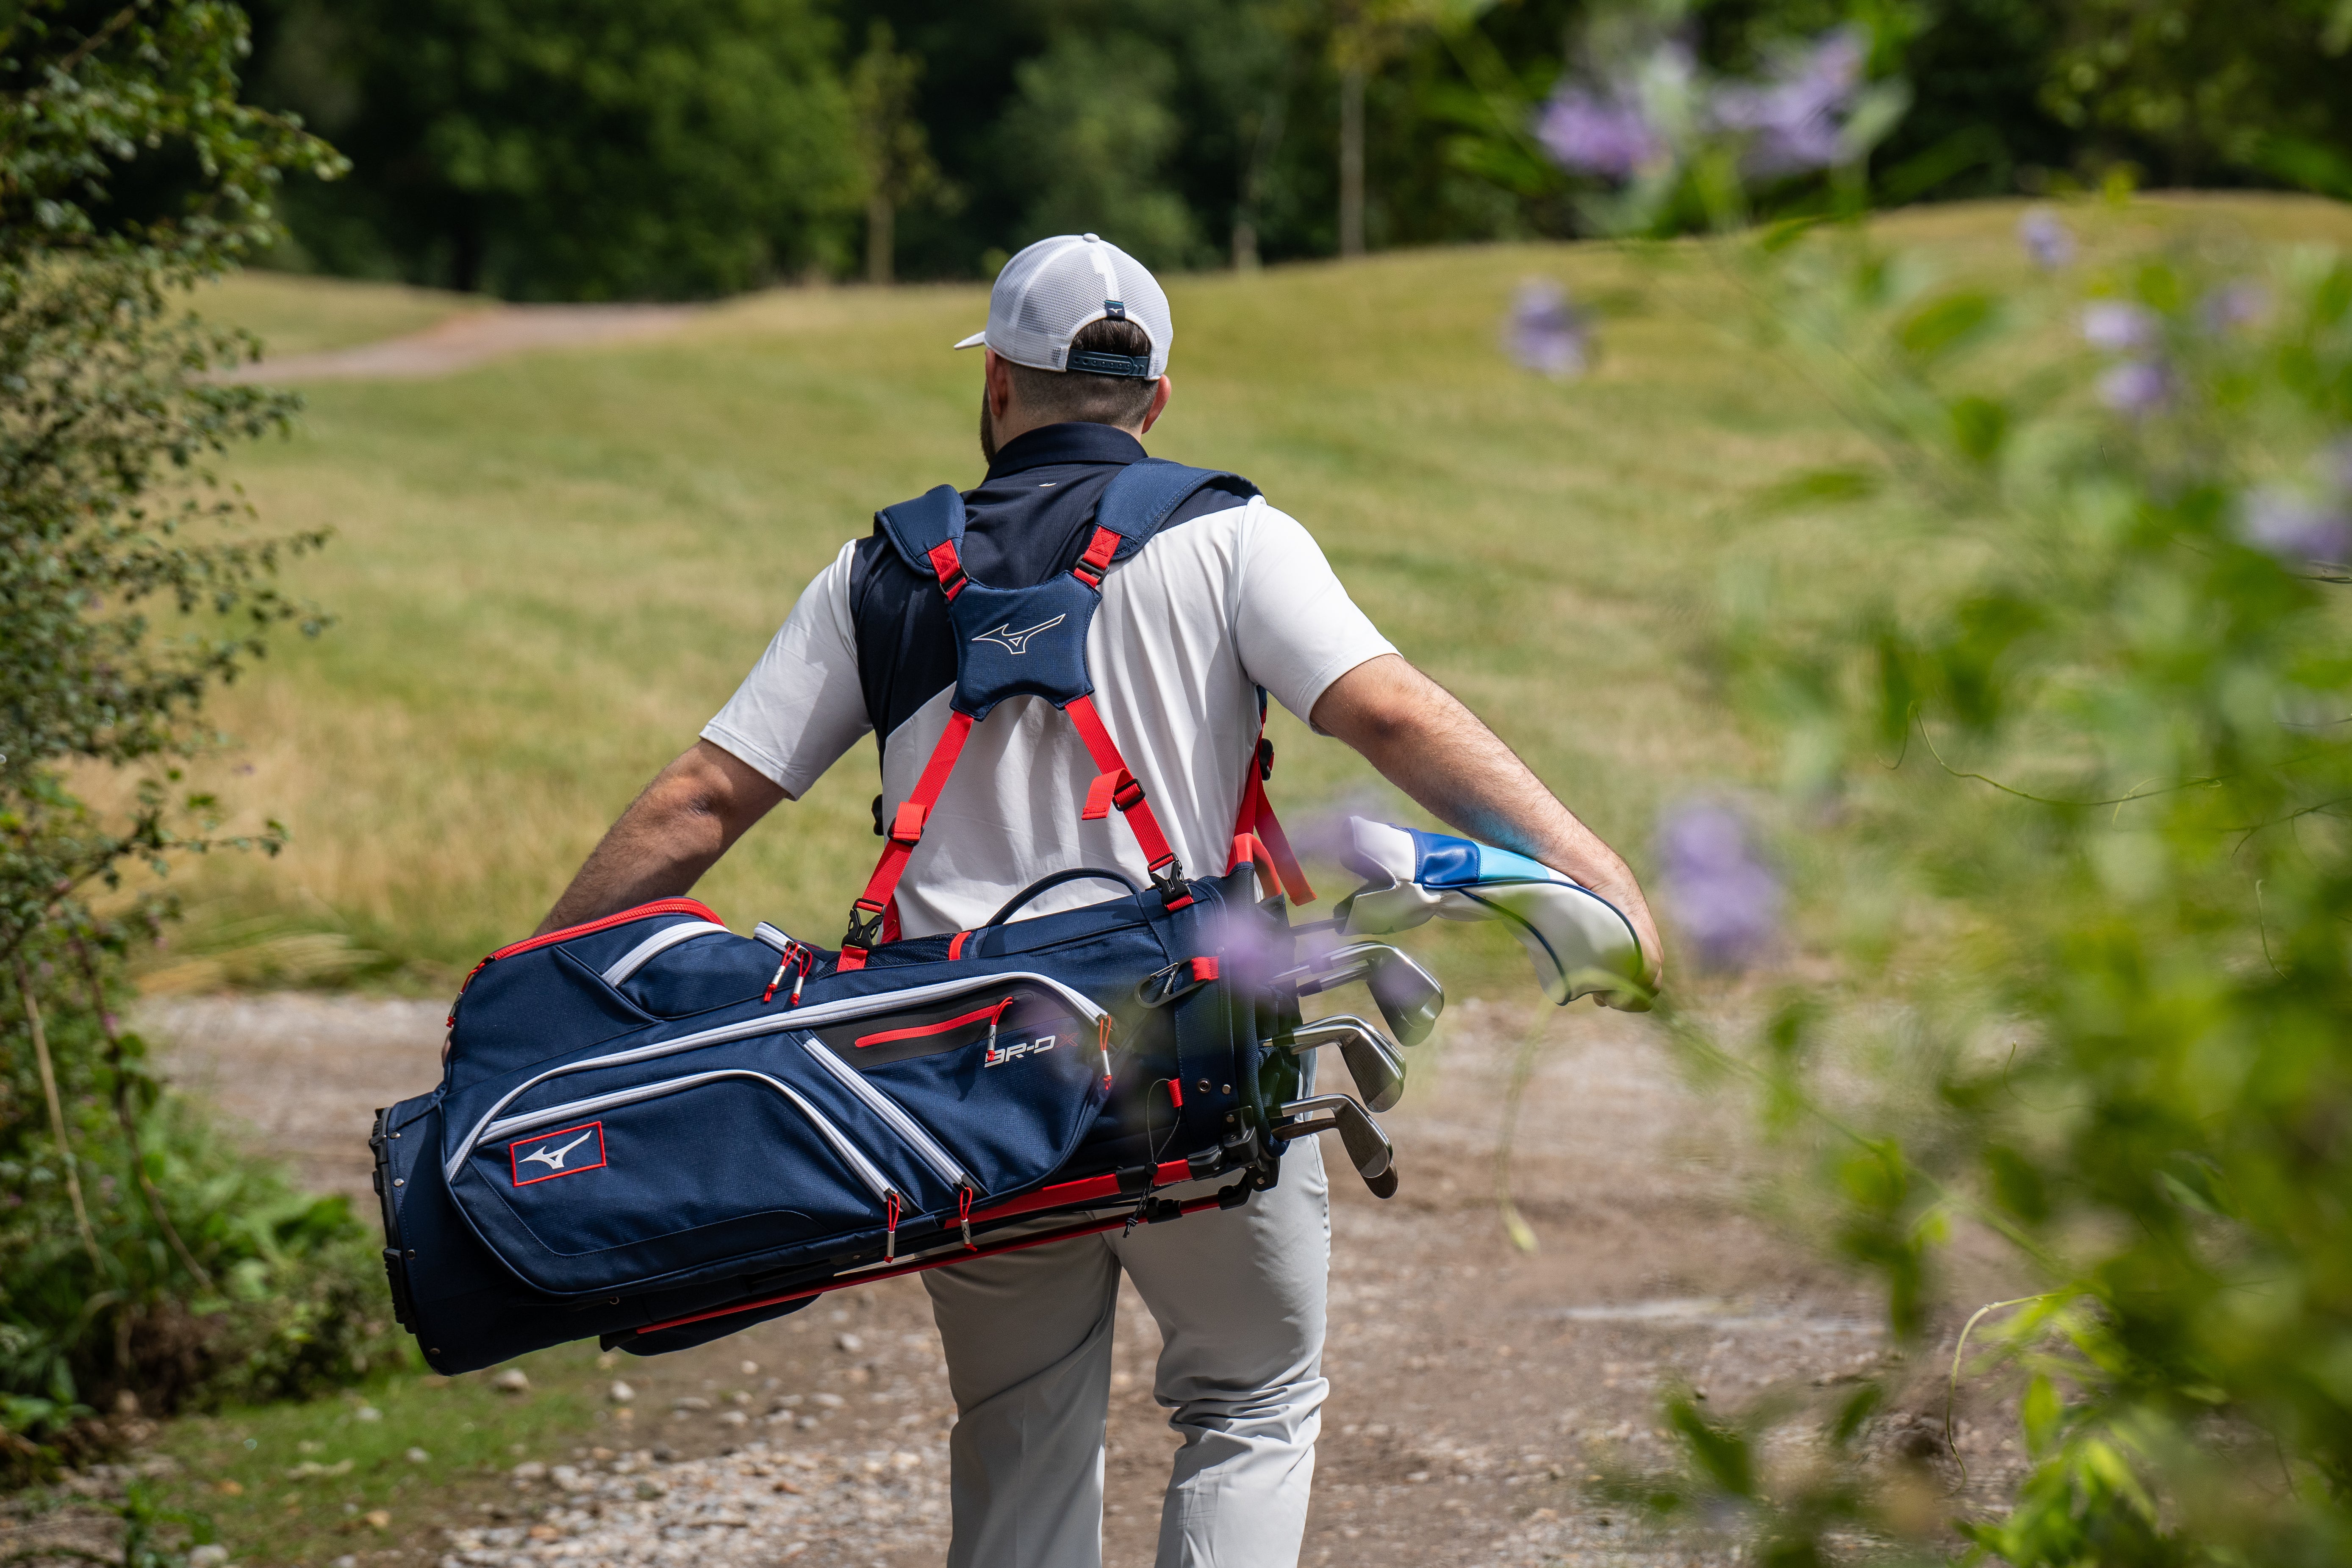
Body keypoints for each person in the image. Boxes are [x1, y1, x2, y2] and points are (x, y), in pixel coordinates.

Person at [533, 233, 1664, 1568]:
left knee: (1017, 1429)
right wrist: (1601, 879)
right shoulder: (1239, 538)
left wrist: (530, 992)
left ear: (999, 386)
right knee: (1250, 1403)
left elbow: (697, 805)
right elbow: (1395, 715)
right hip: (1198, 1061)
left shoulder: (881, 576)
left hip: (966, 1085)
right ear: (1158, 399)